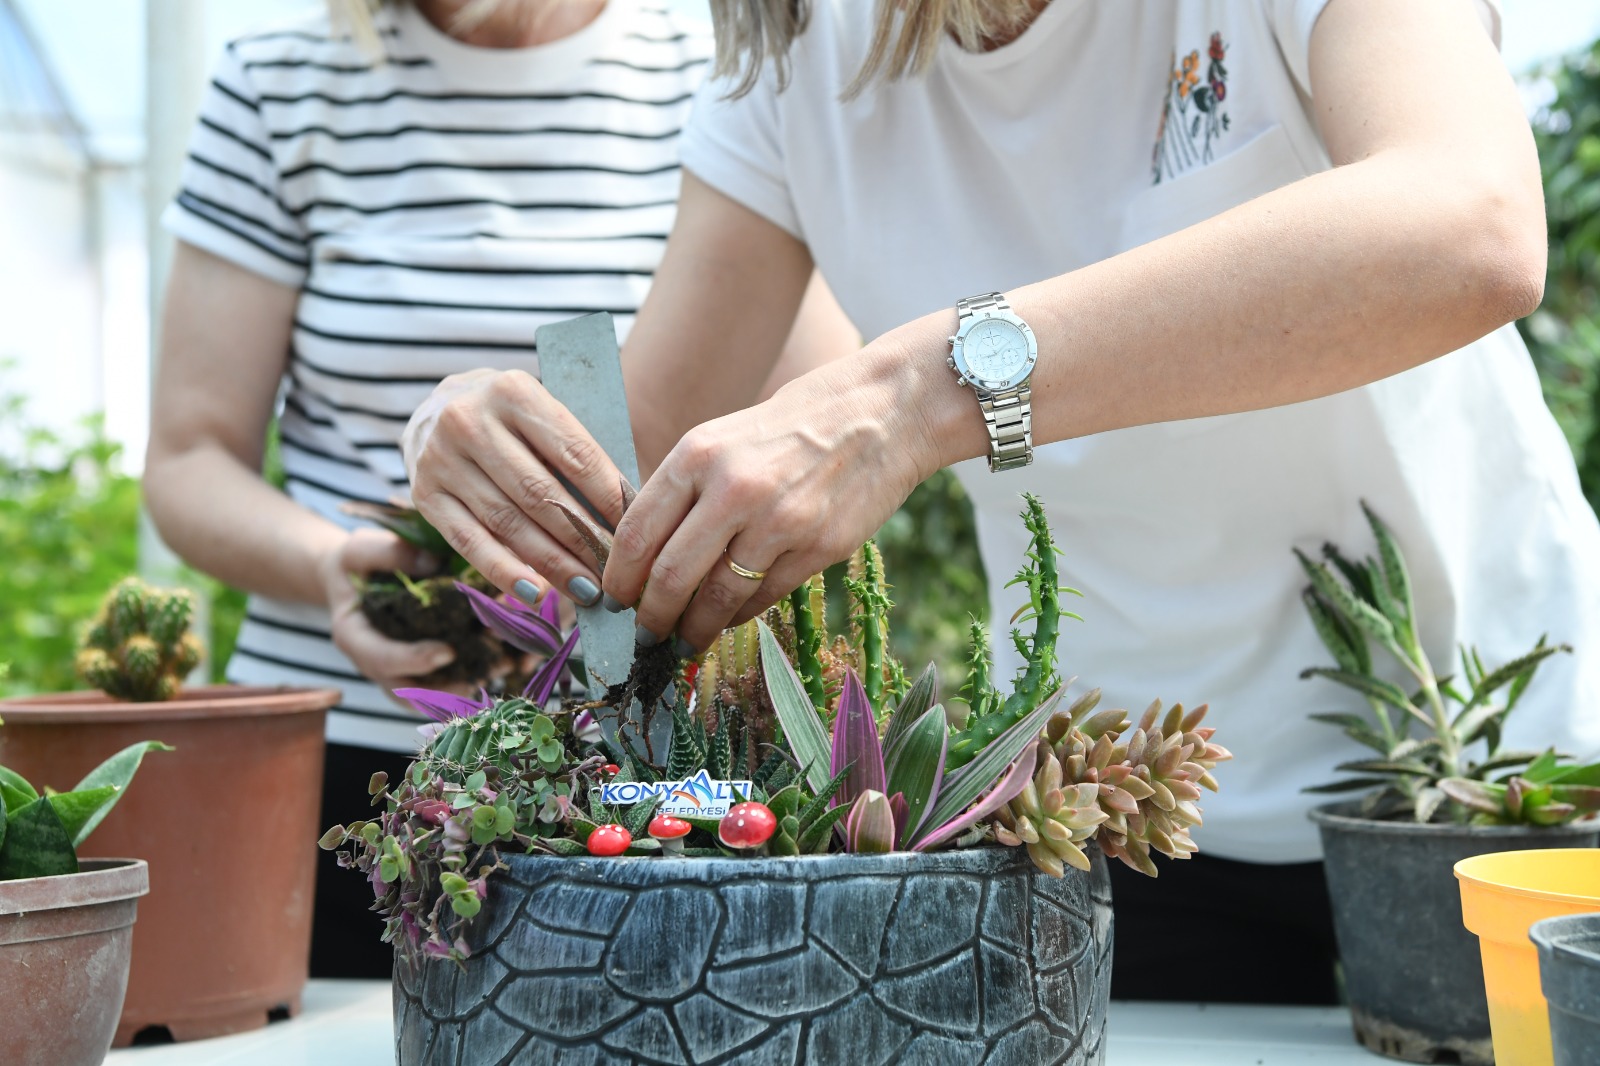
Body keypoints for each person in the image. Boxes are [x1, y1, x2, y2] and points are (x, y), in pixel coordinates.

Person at [403, 0, 1600, 1003]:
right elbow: (644, 444)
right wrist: (462, 424)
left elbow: (1472, 221)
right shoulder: (799, 60)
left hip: (1495, 792)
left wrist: (922, 390)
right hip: (1129, 823)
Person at [141, 0, 855, 978]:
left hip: (641, 766)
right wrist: (332, 569)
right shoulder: (283, 83)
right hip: (355, 758)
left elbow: (812, 419)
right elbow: (189, 458)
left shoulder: (729, 73)